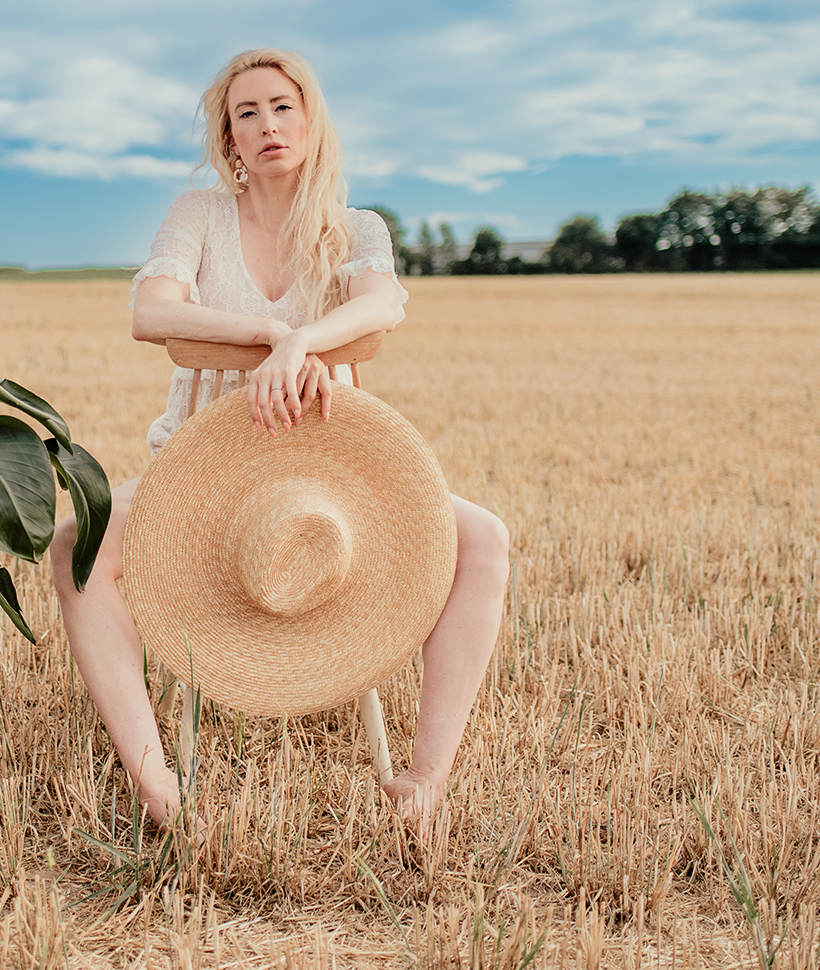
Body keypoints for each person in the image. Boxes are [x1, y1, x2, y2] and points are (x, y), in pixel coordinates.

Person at [49, 48, 511, 832]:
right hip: (204, 474)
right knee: (74, 549)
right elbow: (151, 313)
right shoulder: (198, 215)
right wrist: (272, 332)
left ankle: (425, 778)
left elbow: (382, 309)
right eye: (246, 114)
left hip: (329, 474)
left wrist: (300, 347)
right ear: (229, 139)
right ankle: (156, 779)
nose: (267, 125)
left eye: (282, 106)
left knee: (487, 541)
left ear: (310, 118)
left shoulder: (357, 228)